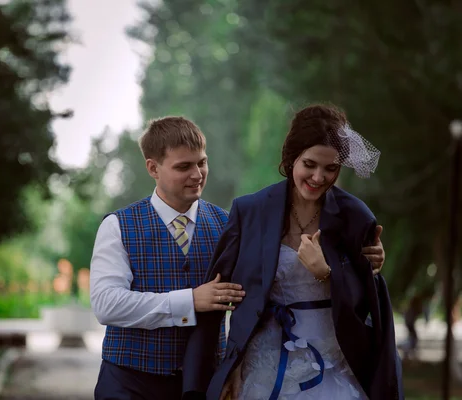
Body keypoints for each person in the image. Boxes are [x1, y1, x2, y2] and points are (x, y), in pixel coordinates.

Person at [182, 104, 400, 400]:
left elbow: (368, 310)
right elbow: (215, 302)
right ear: (291, 158)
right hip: (261, 367)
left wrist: (327, 275)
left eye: (330, 168)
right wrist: (205, 382)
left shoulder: (356, 218)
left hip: (334, 367)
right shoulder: (250, 212)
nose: (319, 177)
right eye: (309, 164)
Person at [89, 116, 246, 400]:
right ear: (153, 168)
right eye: (184, 166)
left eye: (202, 162)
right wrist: (190, 301)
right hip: (128, 383)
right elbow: (106, 304)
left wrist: (233, 370)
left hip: (205, 383)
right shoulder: (117, 226)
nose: (198, 174)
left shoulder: (228, 225)